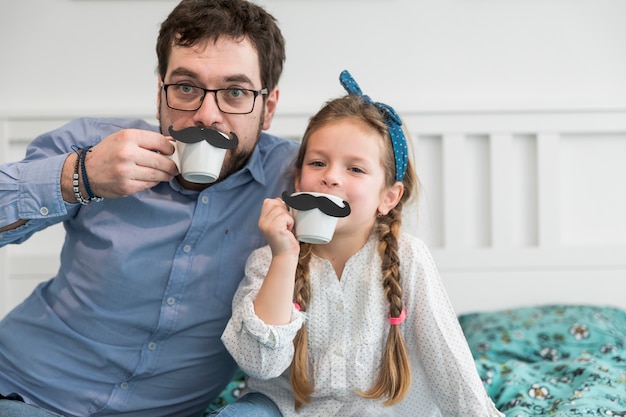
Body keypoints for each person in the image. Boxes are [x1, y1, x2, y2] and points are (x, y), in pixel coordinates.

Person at [0, 1, 298, 416]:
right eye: (186, 87)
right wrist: (80, 175)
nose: (206, 115)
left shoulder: (300, 178)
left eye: (235, 92)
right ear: (160, 94)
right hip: (22, 392)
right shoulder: (96, 146)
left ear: (268, 108)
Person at [213, 70, 505, 416]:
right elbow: (259, 364)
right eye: (318, 163)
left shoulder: (408, 258)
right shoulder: (269, 259)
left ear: (388, 197)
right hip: (285, 408)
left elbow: (449, 364)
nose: (331, 177)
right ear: (298, 180)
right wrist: (284, 257)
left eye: (355, 169)